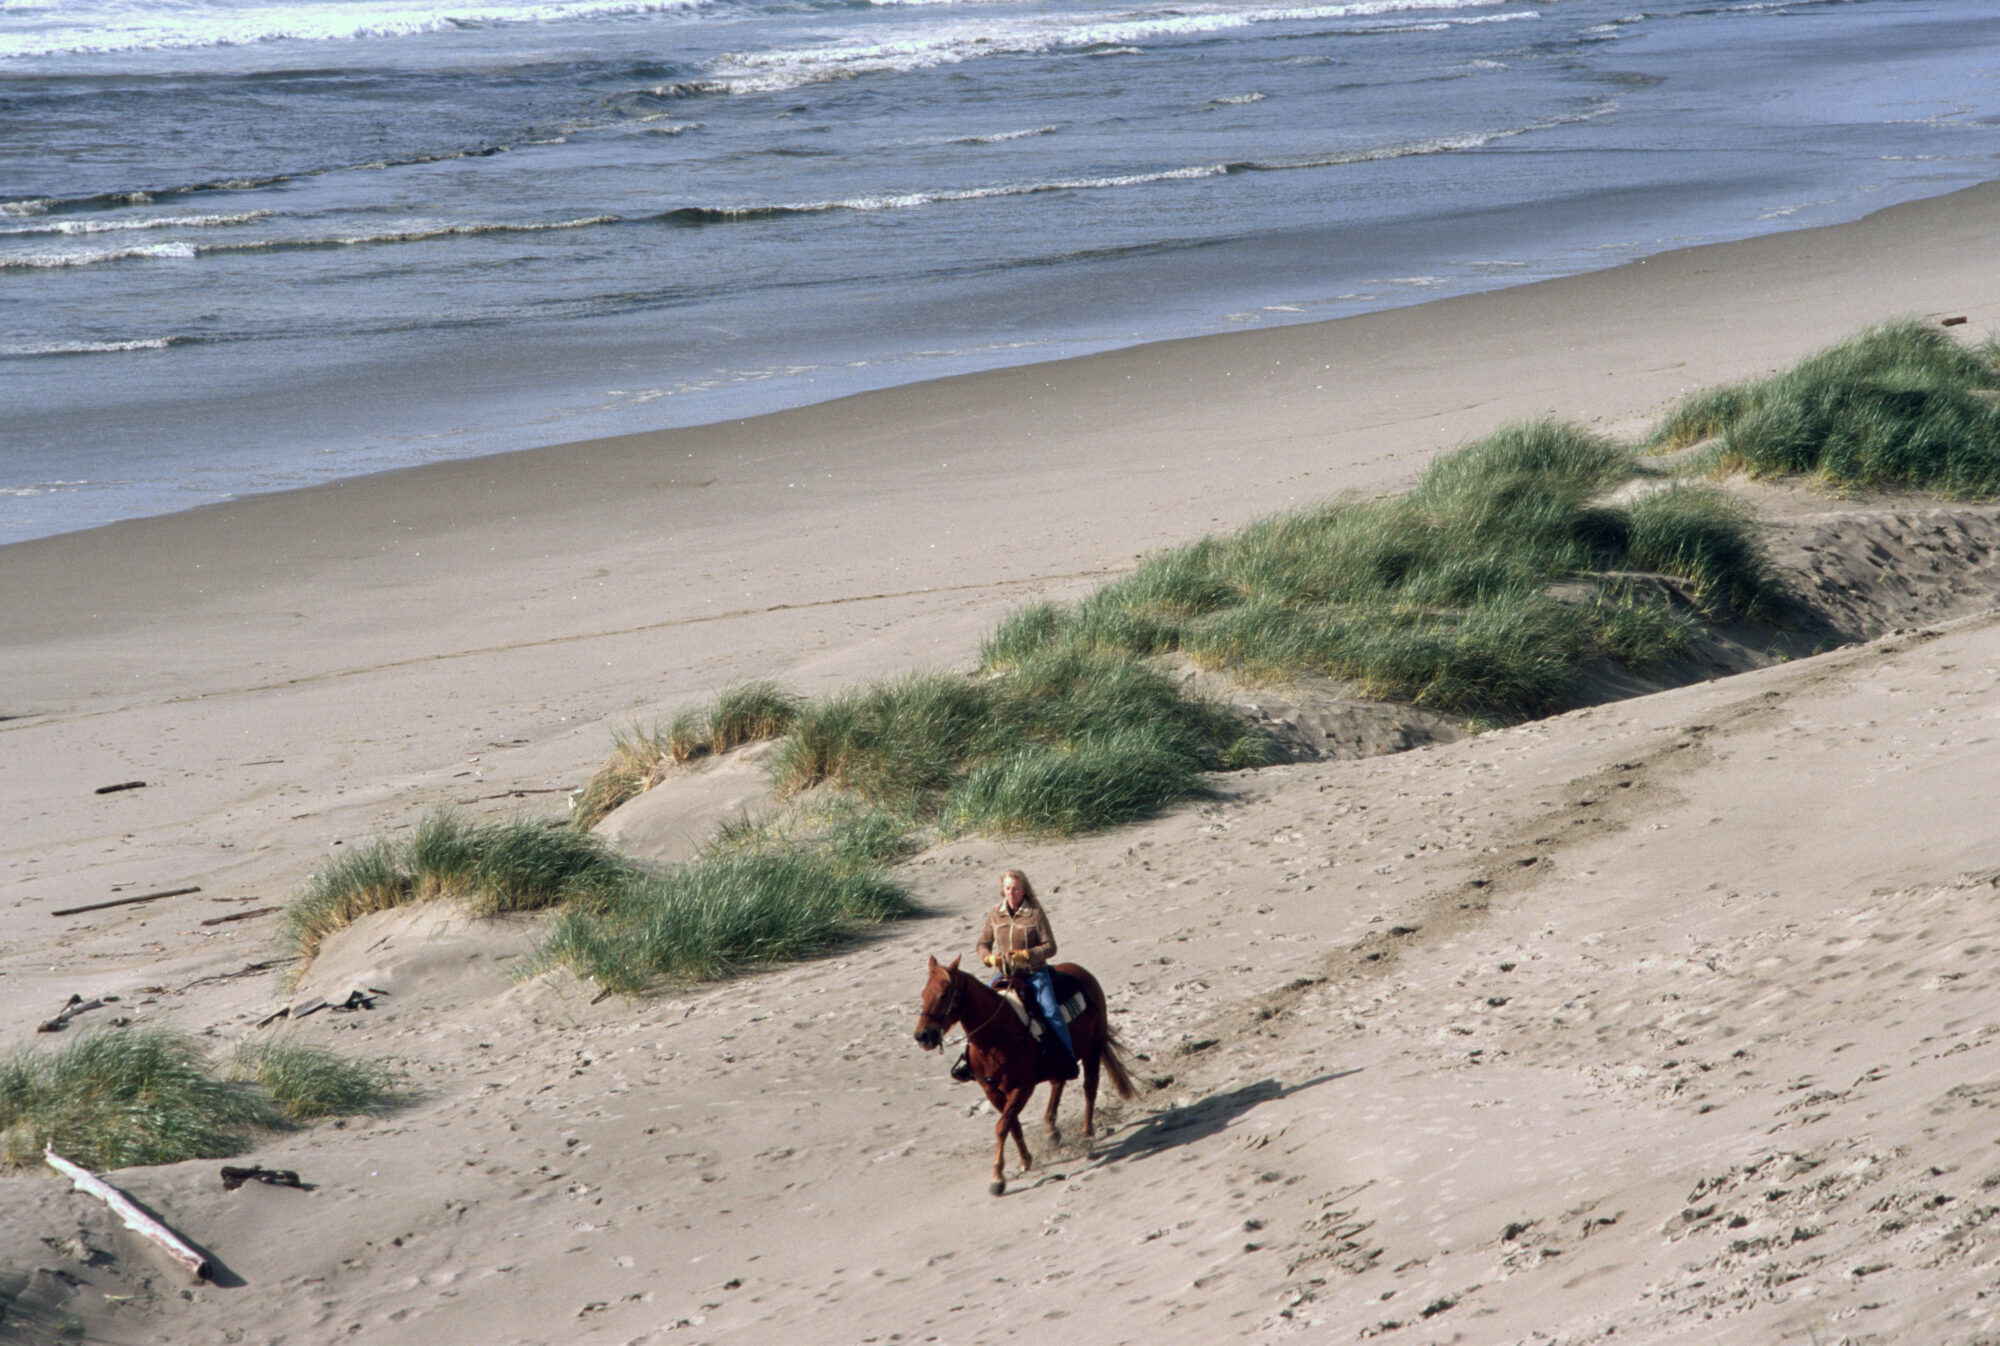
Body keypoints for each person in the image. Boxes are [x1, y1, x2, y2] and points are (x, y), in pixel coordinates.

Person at [975, 868, 1075, 1074]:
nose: (1012, 893)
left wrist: (1027, 955)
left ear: (1024, 890)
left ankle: (1068, 1059)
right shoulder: (995, 913)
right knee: (981, 1011)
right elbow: (983, 943)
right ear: (1003, 891)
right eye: (1008, 889)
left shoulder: (1035, 914)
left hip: (1034, 973)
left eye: (1016, 889)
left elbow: (1051, 947)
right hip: (1004, 973)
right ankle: (973, 1063)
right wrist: (988, 957)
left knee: (1051, 1011)